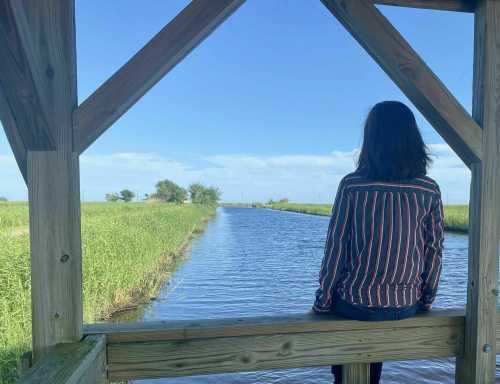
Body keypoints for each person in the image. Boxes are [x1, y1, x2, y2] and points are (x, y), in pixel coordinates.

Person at [312, 101, 444, 384]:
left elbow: (336, 249)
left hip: (355, 304)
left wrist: (322, 301)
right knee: (373, 361)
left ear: (370, 139)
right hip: (405, 306)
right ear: (413, 140)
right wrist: (427, 299)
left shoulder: (352, 185)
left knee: (348, 365)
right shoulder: (428, 188)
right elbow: (434, 252)